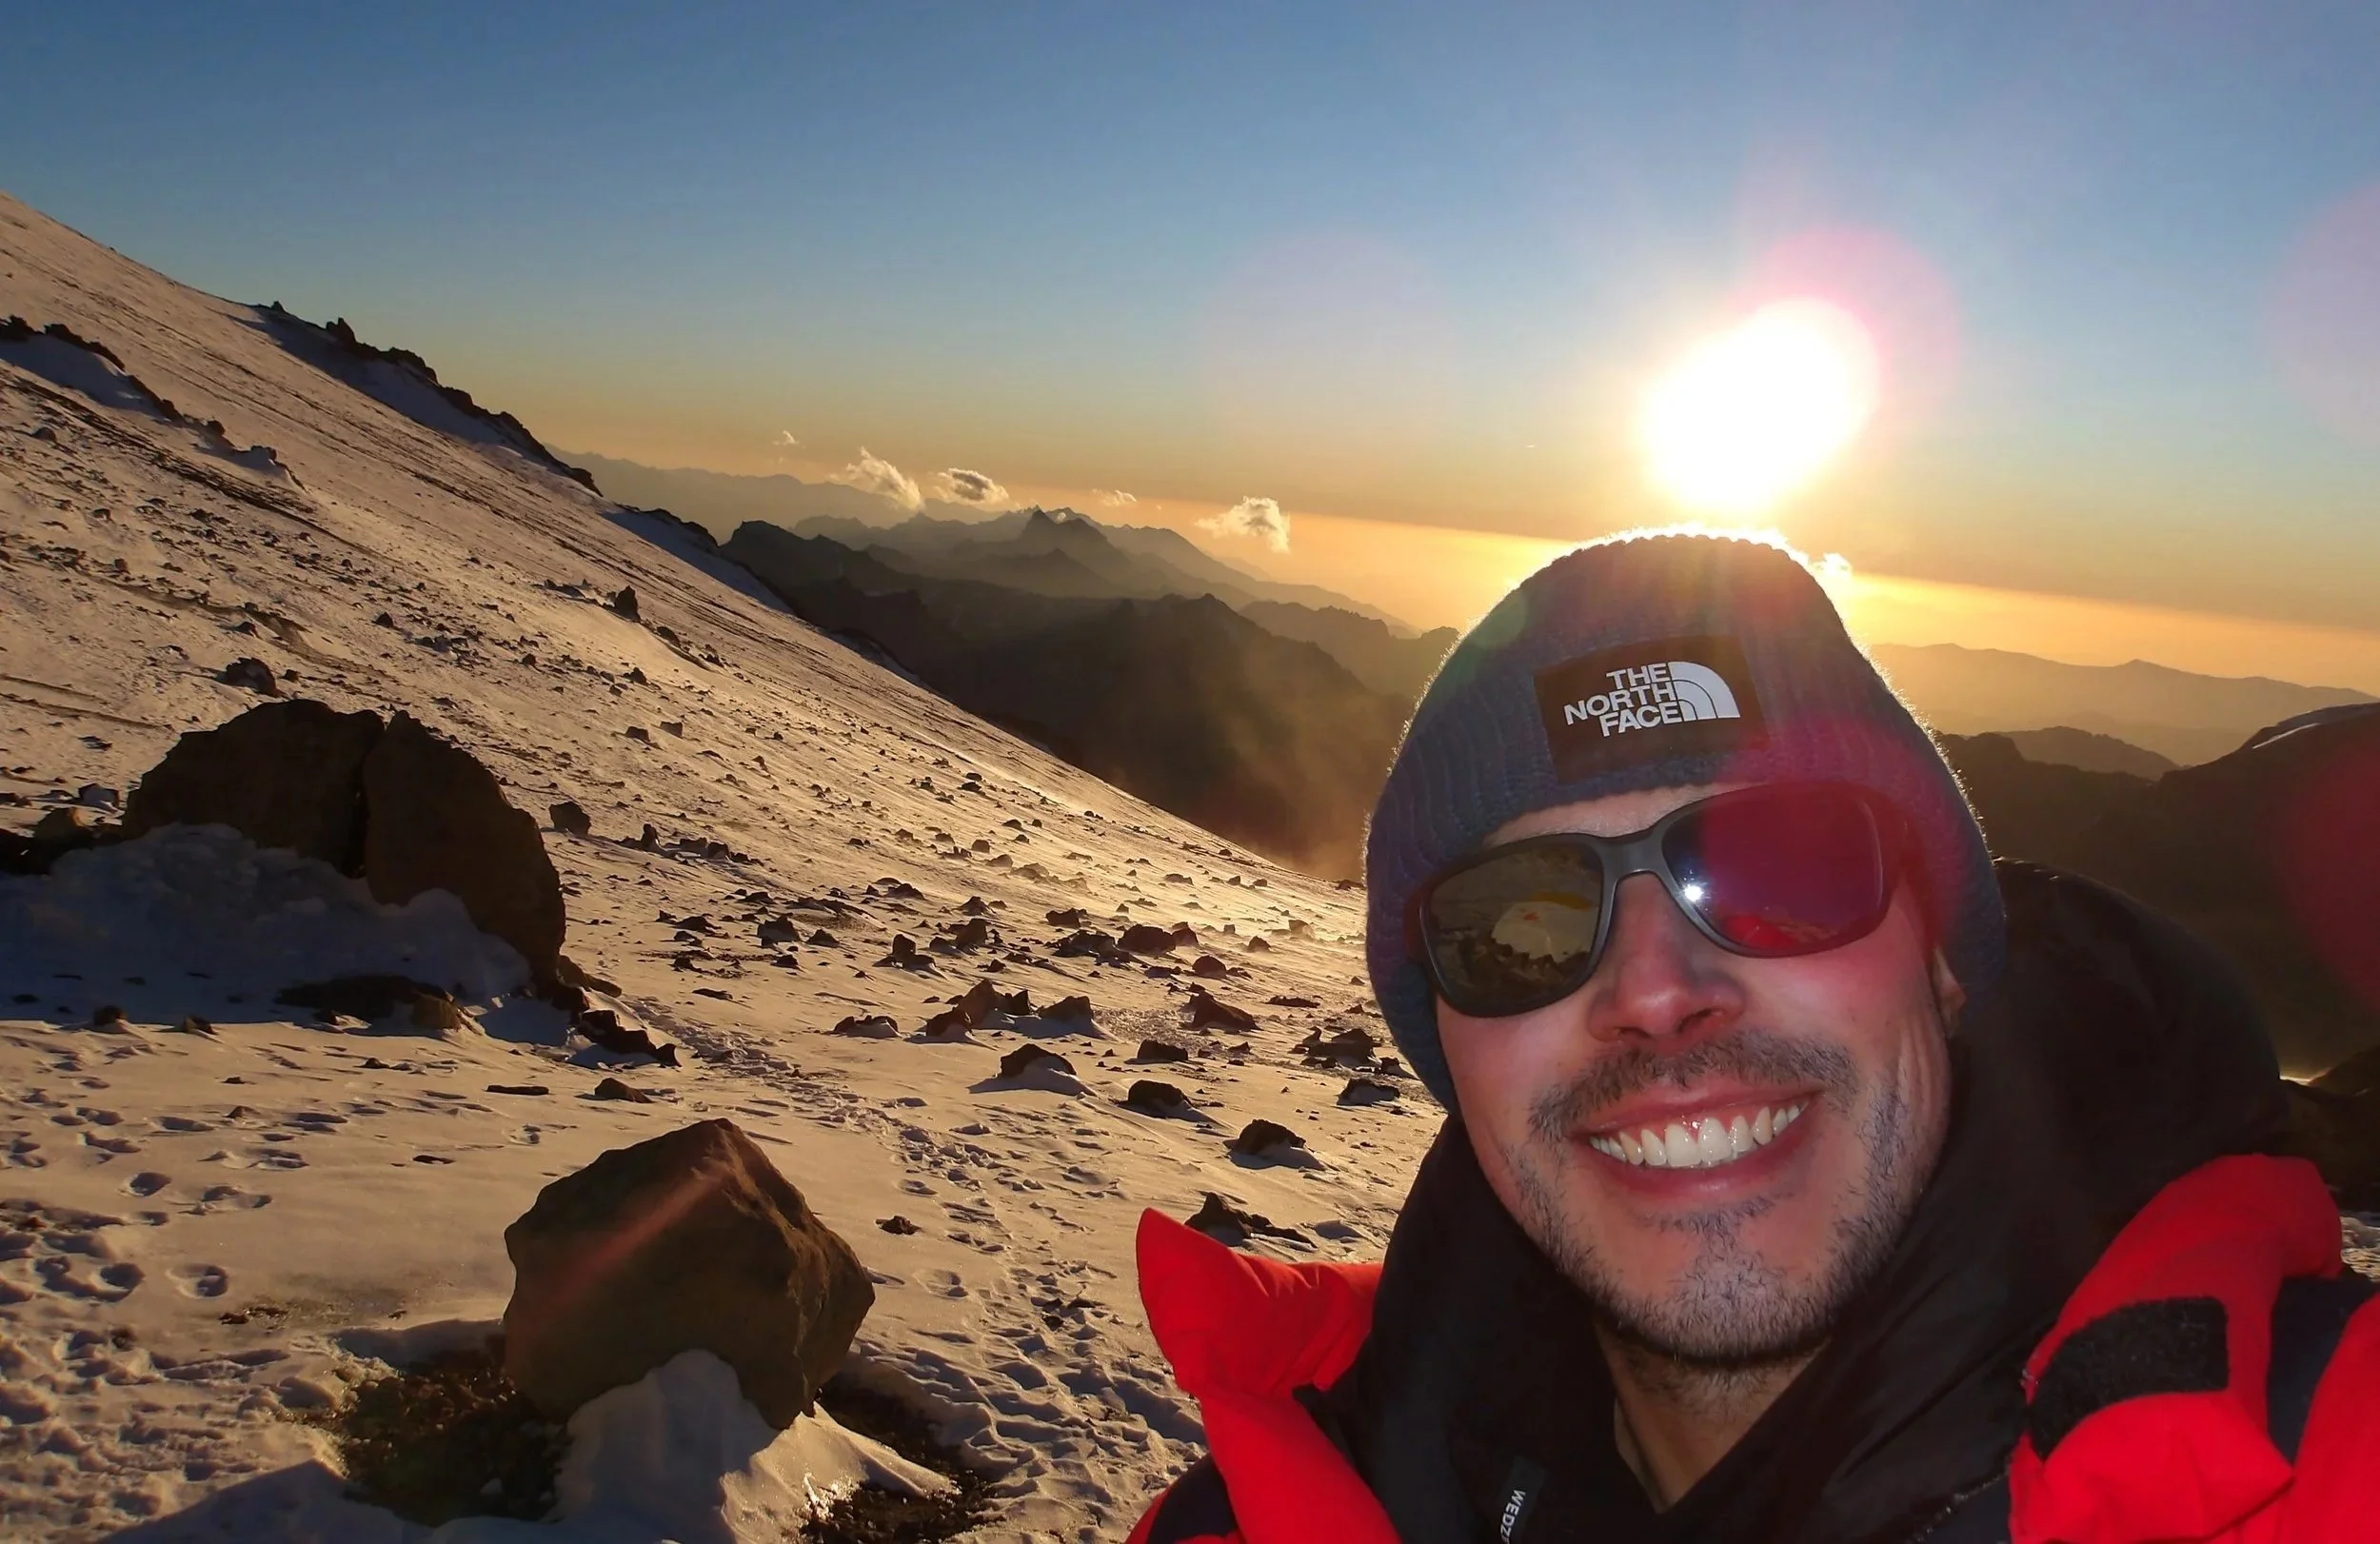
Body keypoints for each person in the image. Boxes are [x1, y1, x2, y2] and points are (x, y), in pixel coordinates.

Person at [1125, 533, 2379, 1544]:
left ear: (1941, 964)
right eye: (1524, 924)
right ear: (1453, 1048)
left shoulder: (2324, 1451)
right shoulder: (1259, 1510)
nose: (1658, 991)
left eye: (1779, 870)